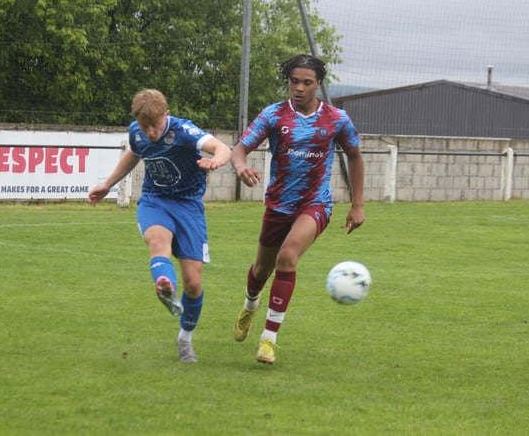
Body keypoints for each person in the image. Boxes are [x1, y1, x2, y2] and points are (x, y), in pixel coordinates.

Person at [231, 54, 365, 365]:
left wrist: (357, 205)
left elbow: (355, 156)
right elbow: (239, 149)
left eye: (307, 82)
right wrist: (240, 167)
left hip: (315, 204)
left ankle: (268, 340)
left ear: (319, 84)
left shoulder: (336, 119)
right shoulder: (274, 115)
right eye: (294, 82)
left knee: (287, 257)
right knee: (261, 269)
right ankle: (250, 306)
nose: (299, 88)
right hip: (278, 205)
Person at [89, 88, 231, 362]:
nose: (150, 132)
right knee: (157, 243)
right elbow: (134, 154)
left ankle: (185, 339)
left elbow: (222, 147)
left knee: (194, 282)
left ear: (166, 115)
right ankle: (165, 284)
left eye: (155, 125)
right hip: (155, 201)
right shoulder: (137, 131)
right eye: (145, 126)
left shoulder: (184, 132)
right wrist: (108, 185)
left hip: (189, 205)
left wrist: (216, 161)